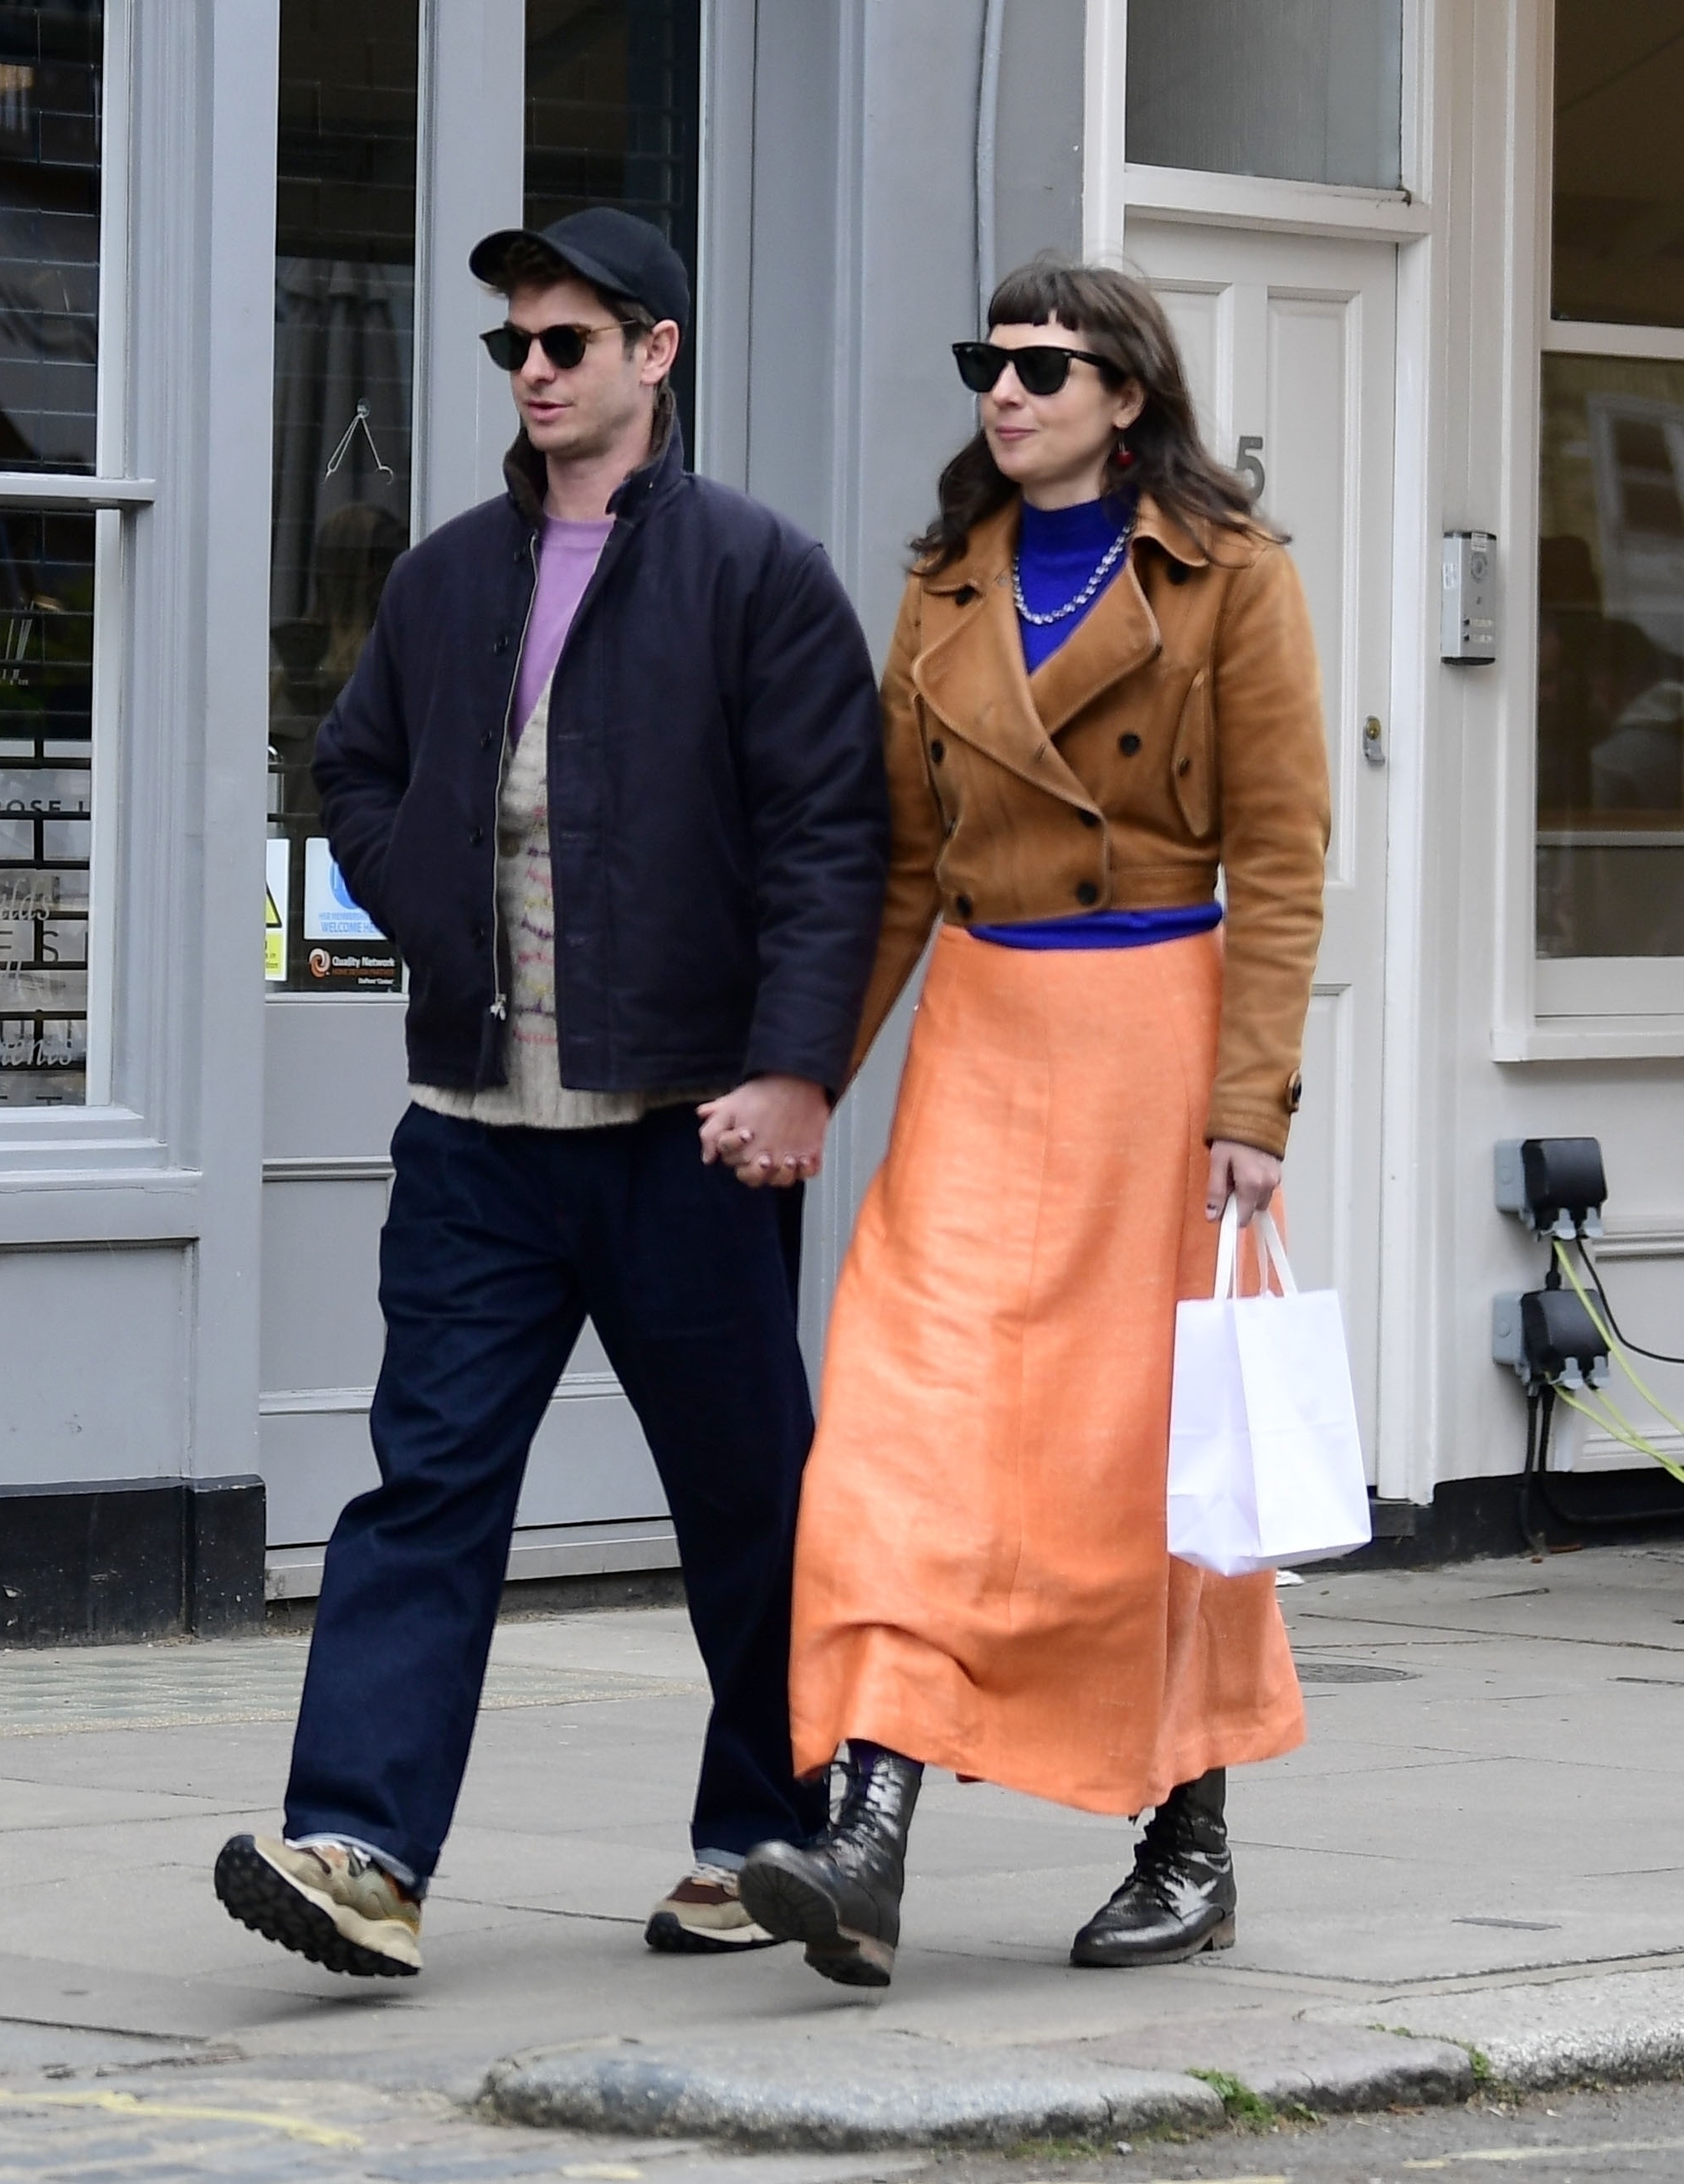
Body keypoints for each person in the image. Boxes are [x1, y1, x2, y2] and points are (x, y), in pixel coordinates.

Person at [213, 208, 887, 1978]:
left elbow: (835, 844)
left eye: (565, 341)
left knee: (749, 1503)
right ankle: (359, 1848)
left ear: (653, 354)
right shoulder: (446, 577)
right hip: (476, 1141)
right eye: (512, 343)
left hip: (687, 1134)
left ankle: (771, 1837)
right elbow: (350, 765)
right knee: (421, 1492)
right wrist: (434, 909)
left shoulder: (756, 571)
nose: (530, 369)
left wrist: (797, 1067)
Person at [734, 257, 1329, 1987]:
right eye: (985, 363)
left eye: (1044, 368)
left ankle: (1188, 1836)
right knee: (906, 1427)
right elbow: (905, 865)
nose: (1003, 393)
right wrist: (805, 1074)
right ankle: (868, 1838)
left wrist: (1250, 1108)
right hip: (984, 1038)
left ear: (1125, 396)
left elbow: (1281, 860)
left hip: (1157, 1040)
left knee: (1138, 1458)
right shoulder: (945, 580)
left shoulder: (1235, 579)